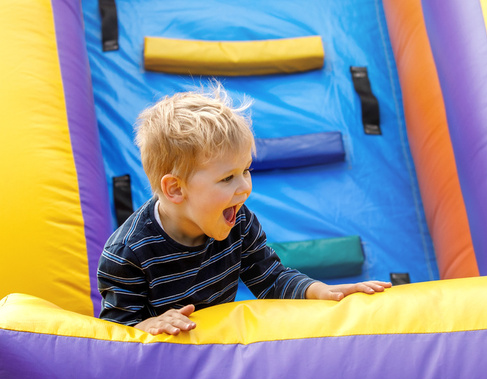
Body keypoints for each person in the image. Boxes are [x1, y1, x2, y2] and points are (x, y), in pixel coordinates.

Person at [98, 85, 390, 335]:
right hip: (167, 359)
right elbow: (114, 332)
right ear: (175, 189)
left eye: (246, 171)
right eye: (227, 178)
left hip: (218, 345)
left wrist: (320, 291)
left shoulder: (237, 222)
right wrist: (148, 325)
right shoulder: (128, 254)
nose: (245, 188)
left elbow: (271, 279)